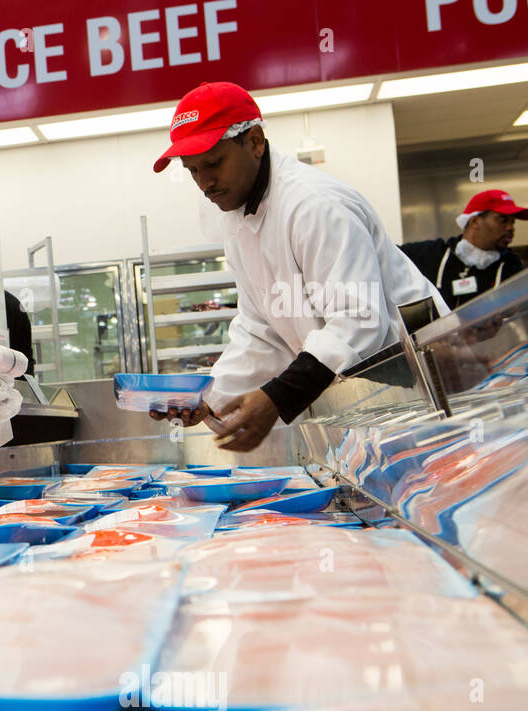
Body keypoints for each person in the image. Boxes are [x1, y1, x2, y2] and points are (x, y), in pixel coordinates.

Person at [148, 82, 447, 452]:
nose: (204, 182)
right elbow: (261, 329)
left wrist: (278, 397)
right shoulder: (239, 219)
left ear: (255, 141)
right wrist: (211, 396)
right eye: (192, 170)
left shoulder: (314, 204)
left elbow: (359, 319)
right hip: (364, 397)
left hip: (420, 383)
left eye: (213, 163)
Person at [400, 190, 525, 310]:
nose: (510, 227)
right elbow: (385, 258)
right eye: (502, 220)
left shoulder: (514, 270)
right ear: (474, 221)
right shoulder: (431, 254)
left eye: (512, 222)